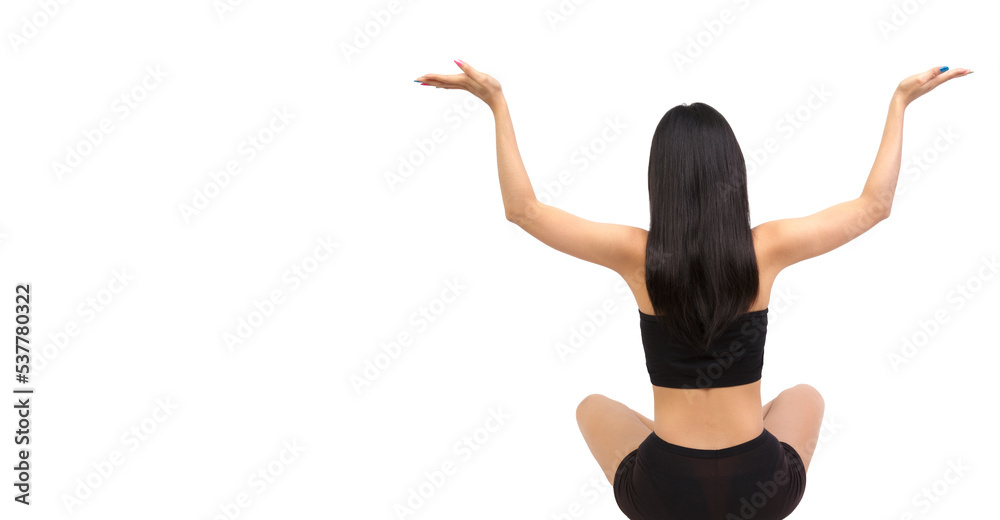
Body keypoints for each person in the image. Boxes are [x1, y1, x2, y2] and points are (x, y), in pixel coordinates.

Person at [414, 61, 972, 519]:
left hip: (663, 495)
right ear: (734, 171)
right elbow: (873, 206)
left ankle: (681, 441)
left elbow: (524, 211)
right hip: (760, 492)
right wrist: (899, 102)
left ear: (660, 180)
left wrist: (496, 102)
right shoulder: (766, 248)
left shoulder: (637, 254)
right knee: (803, 396)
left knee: (591, 406)